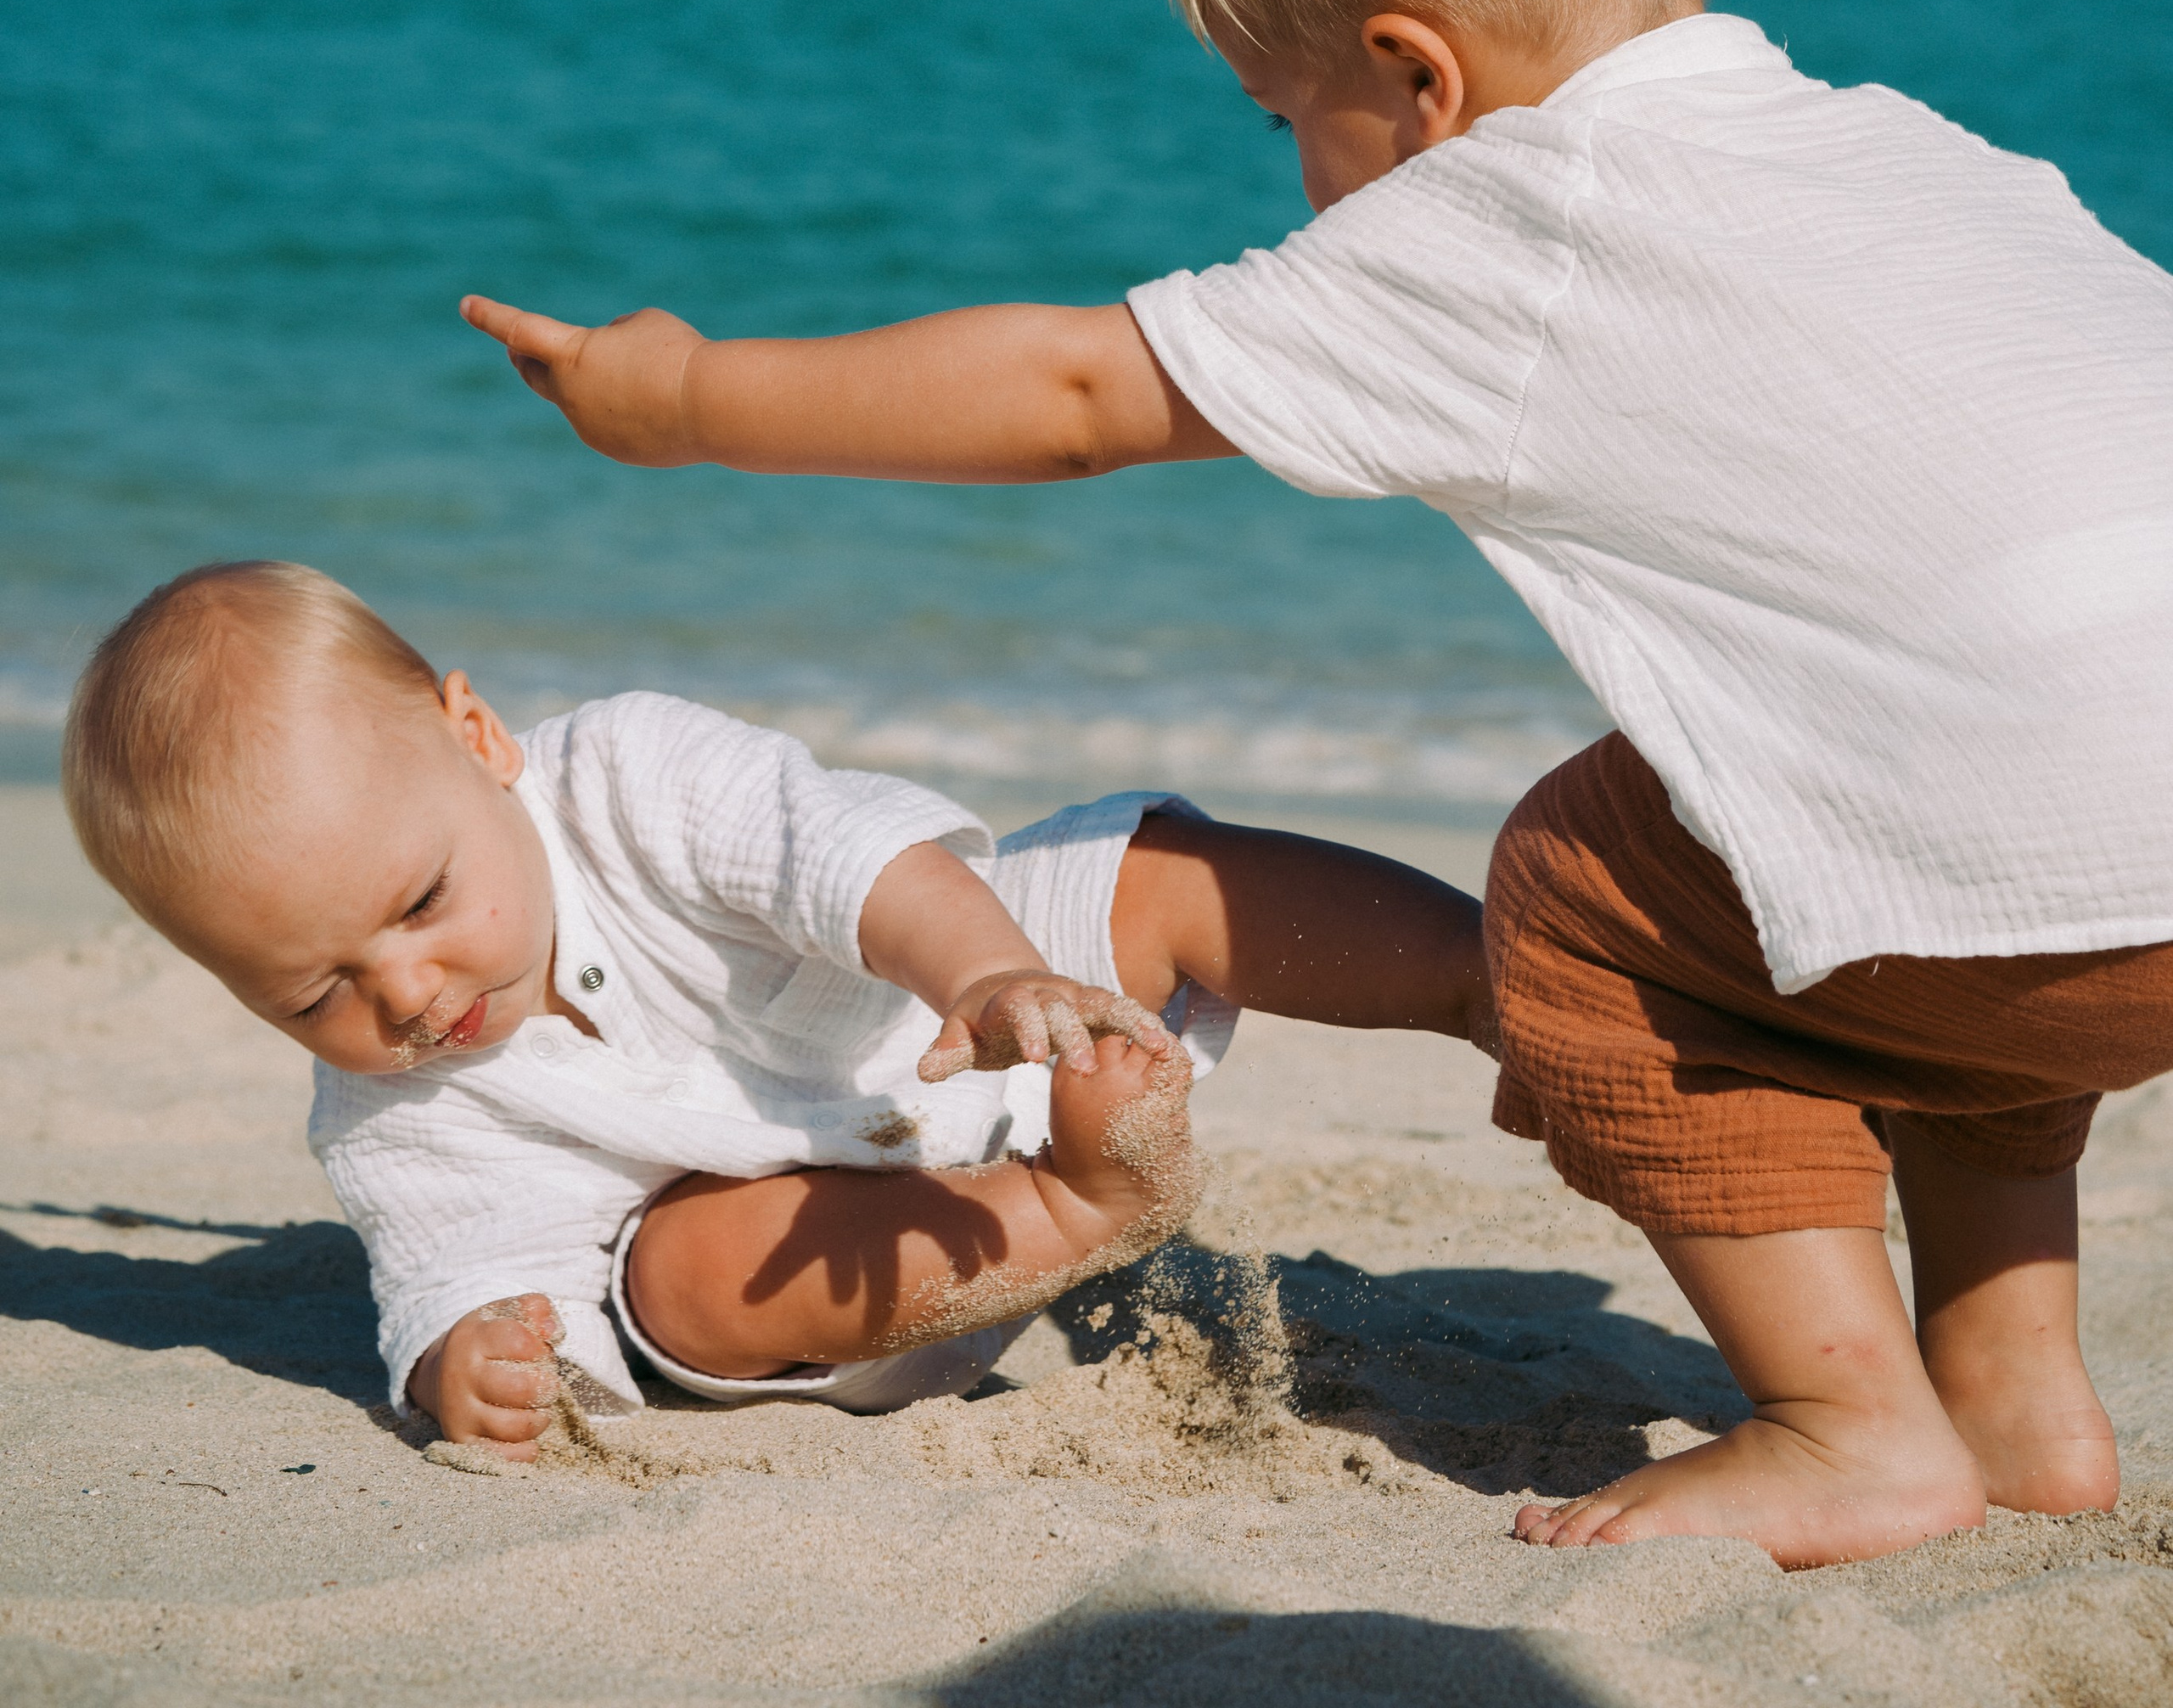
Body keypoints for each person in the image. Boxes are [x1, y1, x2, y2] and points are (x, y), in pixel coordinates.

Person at [462, 0, 2173, 1568]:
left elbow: (1071, 393)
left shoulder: (1506, 212)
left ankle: (1846, 1421)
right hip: (2132, 877)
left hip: (2016, 850)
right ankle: (2022, 1408)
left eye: (1283, 120)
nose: (1293, 181)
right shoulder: (1915, 150)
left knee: (1588, 886)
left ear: (1412, 78)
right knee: (1935, 867)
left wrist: (682, 398)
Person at [60, 557, 1487, 1458]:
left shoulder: (627, 771)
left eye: (423, 904)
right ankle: (1085, 1208)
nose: (410, 997)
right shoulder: (391, 1113)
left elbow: (839, 851)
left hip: (986, 1017)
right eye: (314, 994)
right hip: (874, 1281)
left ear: (479, 739)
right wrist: (467, 1364)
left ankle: (1494, 983)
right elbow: (461, 1261)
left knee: (1163, 877)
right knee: (675, 1281)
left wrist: (986, 974)